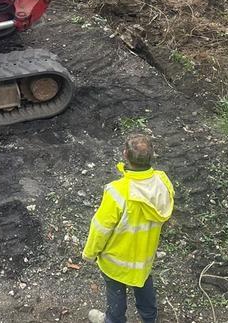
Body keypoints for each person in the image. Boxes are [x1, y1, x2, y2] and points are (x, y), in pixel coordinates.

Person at [82, 134, 175, 323]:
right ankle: (150, 319)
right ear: (152, 155)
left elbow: (100, 228)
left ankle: (113, 320)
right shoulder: (162, 182)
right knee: (143, 282)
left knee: (115, 291)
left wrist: (90, 253)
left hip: (116, 261)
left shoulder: (117, 191)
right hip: (144, 256)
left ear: (125, 154)